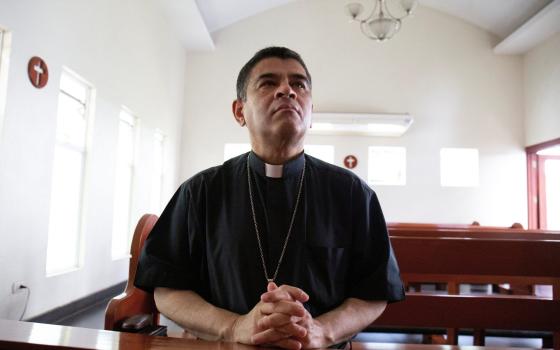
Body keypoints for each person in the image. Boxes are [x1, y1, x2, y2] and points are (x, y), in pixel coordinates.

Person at [134, 46, 405, 349]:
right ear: (240, 111)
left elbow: (374, 290)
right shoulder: (200, 191)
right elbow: (167, 289)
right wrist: (232, 326)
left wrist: (323, 331)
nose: (287, 90)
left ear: (311, 112)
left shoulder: (353, 193)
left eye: (299, 84)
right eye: (268, 83)